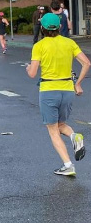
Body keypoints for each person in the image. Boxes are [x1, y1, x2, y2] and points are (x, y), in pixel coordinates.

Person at [26, 12, 90, 176]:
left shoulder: (39, 46)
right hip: (67, 90)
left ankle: (68, 165)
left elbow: (32, 73)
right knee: (61, 124)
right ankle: (75, 136)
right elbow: (87, 63)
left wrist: (28, 67)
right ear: (60, 26)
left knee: (53, 130)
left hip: (49, 91)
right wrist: (78, 83)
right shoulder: (69, 42)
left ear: (42, 28)